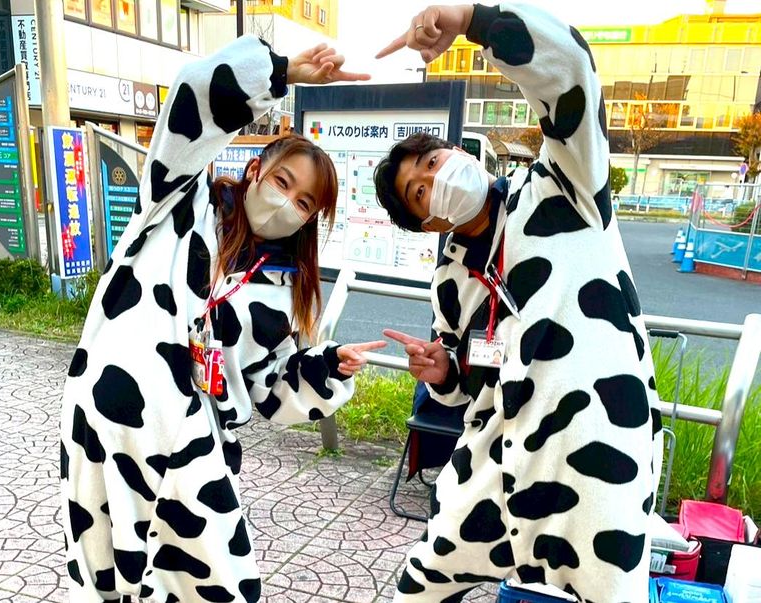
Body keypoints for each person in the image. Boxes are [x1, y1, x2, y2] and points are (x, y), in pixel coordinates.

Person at [60, 37, 383, 603]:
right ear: (255, 169)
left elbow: (271, 389)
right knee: (103, 576)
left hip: (196, 443)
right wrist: (281, 72)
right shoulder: (177, 203)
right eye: (283, 182)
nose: (288, 203)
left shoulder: (280, 292)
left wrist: (330, 366)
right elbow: (193, 94)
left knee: (219, 584)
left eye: (305, 203)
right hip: (108, 421)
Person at [375, 4, 663, 602]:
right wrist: (443, 372)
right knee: (421, 582)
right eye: (420, 191)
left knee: (607, 591)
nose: (436, 179)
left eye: (433, 161)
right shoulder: (450, 275)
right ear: (427, 223)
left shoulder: (563, 185)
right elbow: (464, 384)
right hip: (495, 458)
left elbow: (570, 74)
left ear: (456, 150)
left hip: (594, 443)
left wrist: (471, 19)